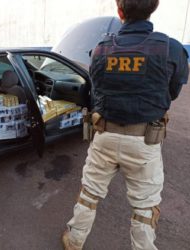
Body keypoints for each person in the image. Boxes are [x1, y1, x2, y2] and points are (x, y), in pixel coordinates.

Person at [62, 0, 189, 249]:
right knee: (144, 207)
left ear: (120, 12)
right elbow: (171, 93)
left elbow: (94, 92)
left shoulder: (100, 49)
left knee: (89, 194)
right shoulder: (171, 49)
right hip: (144, 142)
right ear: (154, 7)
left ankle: (74, 240)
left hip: (104, 137)